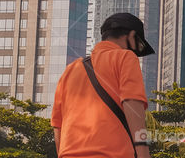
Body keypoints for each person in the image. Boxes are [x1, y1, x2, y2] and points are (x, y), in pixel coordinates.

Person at [52, 13, 155, 158]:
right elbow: (132, 105)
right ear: (131, 36)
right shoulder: (125, 58)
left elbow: (58, 125)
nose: (136, 53)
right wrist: (143, 154)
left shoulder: (70, 70)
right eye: (138, 46)